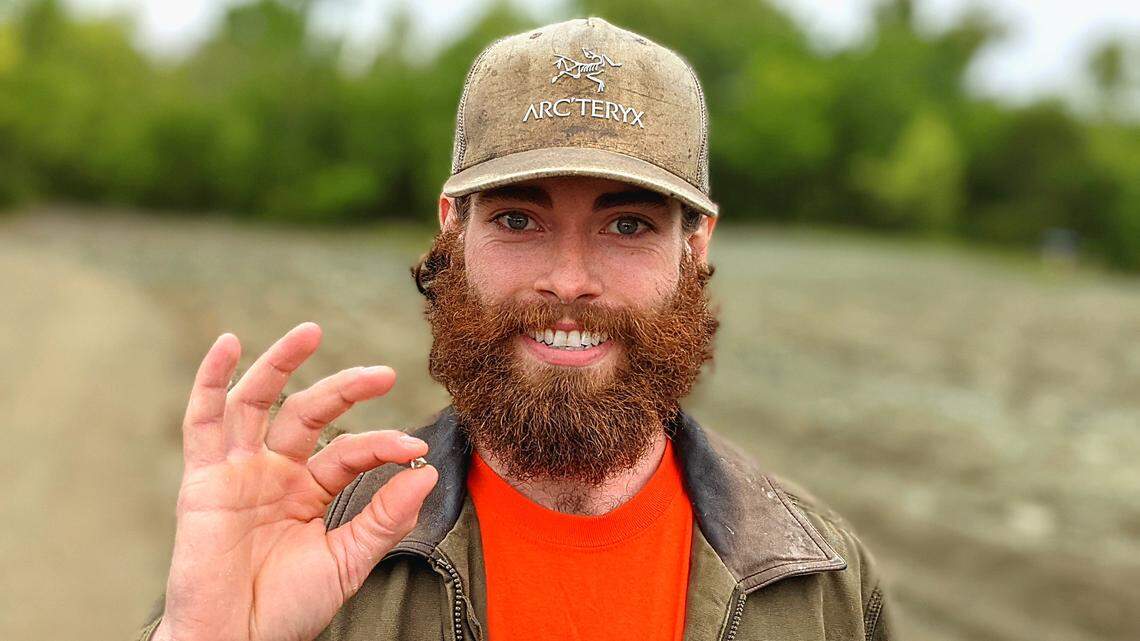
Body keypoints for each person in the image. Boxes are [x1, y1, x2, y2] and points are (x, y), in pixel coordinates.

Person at [137, 16, 895, 641]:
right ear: (452, 231)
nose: (567, 279)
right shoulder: (324, 552)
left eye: (626, 224)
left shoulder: (821, 584)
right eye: (518, 219)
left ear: (694, 249)